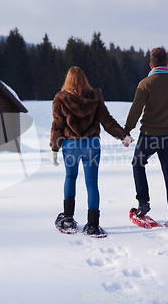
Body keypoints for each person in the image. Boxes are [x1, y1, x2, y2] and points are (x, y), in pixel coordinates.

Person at [50, 66, 127, 238]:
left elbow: (58, 126)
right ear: (84, 79)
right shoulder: (95, 97)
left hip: (71, 146)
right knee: (92, 184)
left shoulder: (61, 98)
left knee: (70, 177)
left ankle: (68, 219)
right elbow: (107, 121)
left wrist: (54, 148)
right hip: (92, 145)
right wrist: (123, 136)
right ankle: (93, 225)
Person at [123, 47, 168, 228]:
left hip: (149, 136)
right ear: (167, 63)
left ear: (151, 64)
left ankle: (143, 202)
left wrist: (126, 131)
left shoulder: (145, 83)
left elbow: (135, 111)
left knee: (138, 164)